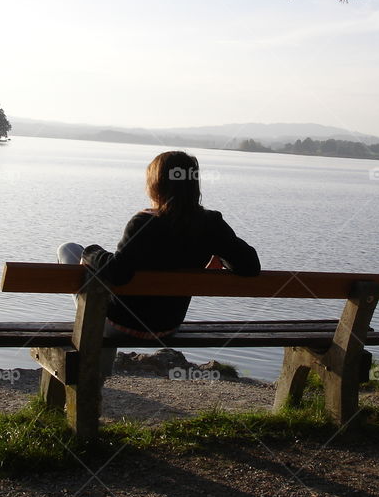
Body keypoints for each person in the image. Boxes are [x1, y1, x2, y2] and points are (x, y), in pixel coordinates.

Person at [57, 150, 260, 353]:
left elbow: (118, 273)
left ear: (156, 184)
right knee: (101, 279)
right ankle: (99, 369)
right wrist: (221, 255)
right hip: (167, 328)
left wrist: (90, 253)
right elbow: (250, 266)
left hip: (122, 326)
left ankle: (96, 369)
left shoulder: (143, 222)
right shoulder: (211, 223)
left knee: (69, 250)